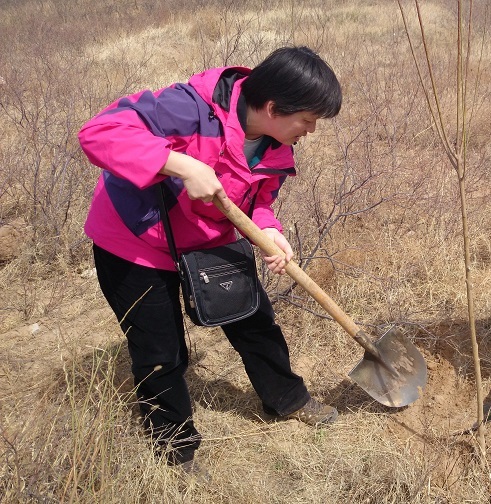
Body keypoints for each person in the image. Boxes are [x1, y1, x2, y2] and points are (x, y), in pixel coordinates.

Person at [79, 46, 343, 472]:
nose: (311, 130)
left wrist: (269, 229)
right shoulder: (188, 108)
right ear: (274, 108)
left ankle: (289, 399)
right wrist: (178, 162)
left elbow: (258, 201)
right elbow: (98, 132)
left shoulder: (276, 146)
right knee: (161, 350)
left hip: (206, 237)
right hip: (136, 241)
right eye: (308, 120)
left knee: (256, 323)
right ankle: (175, 446)